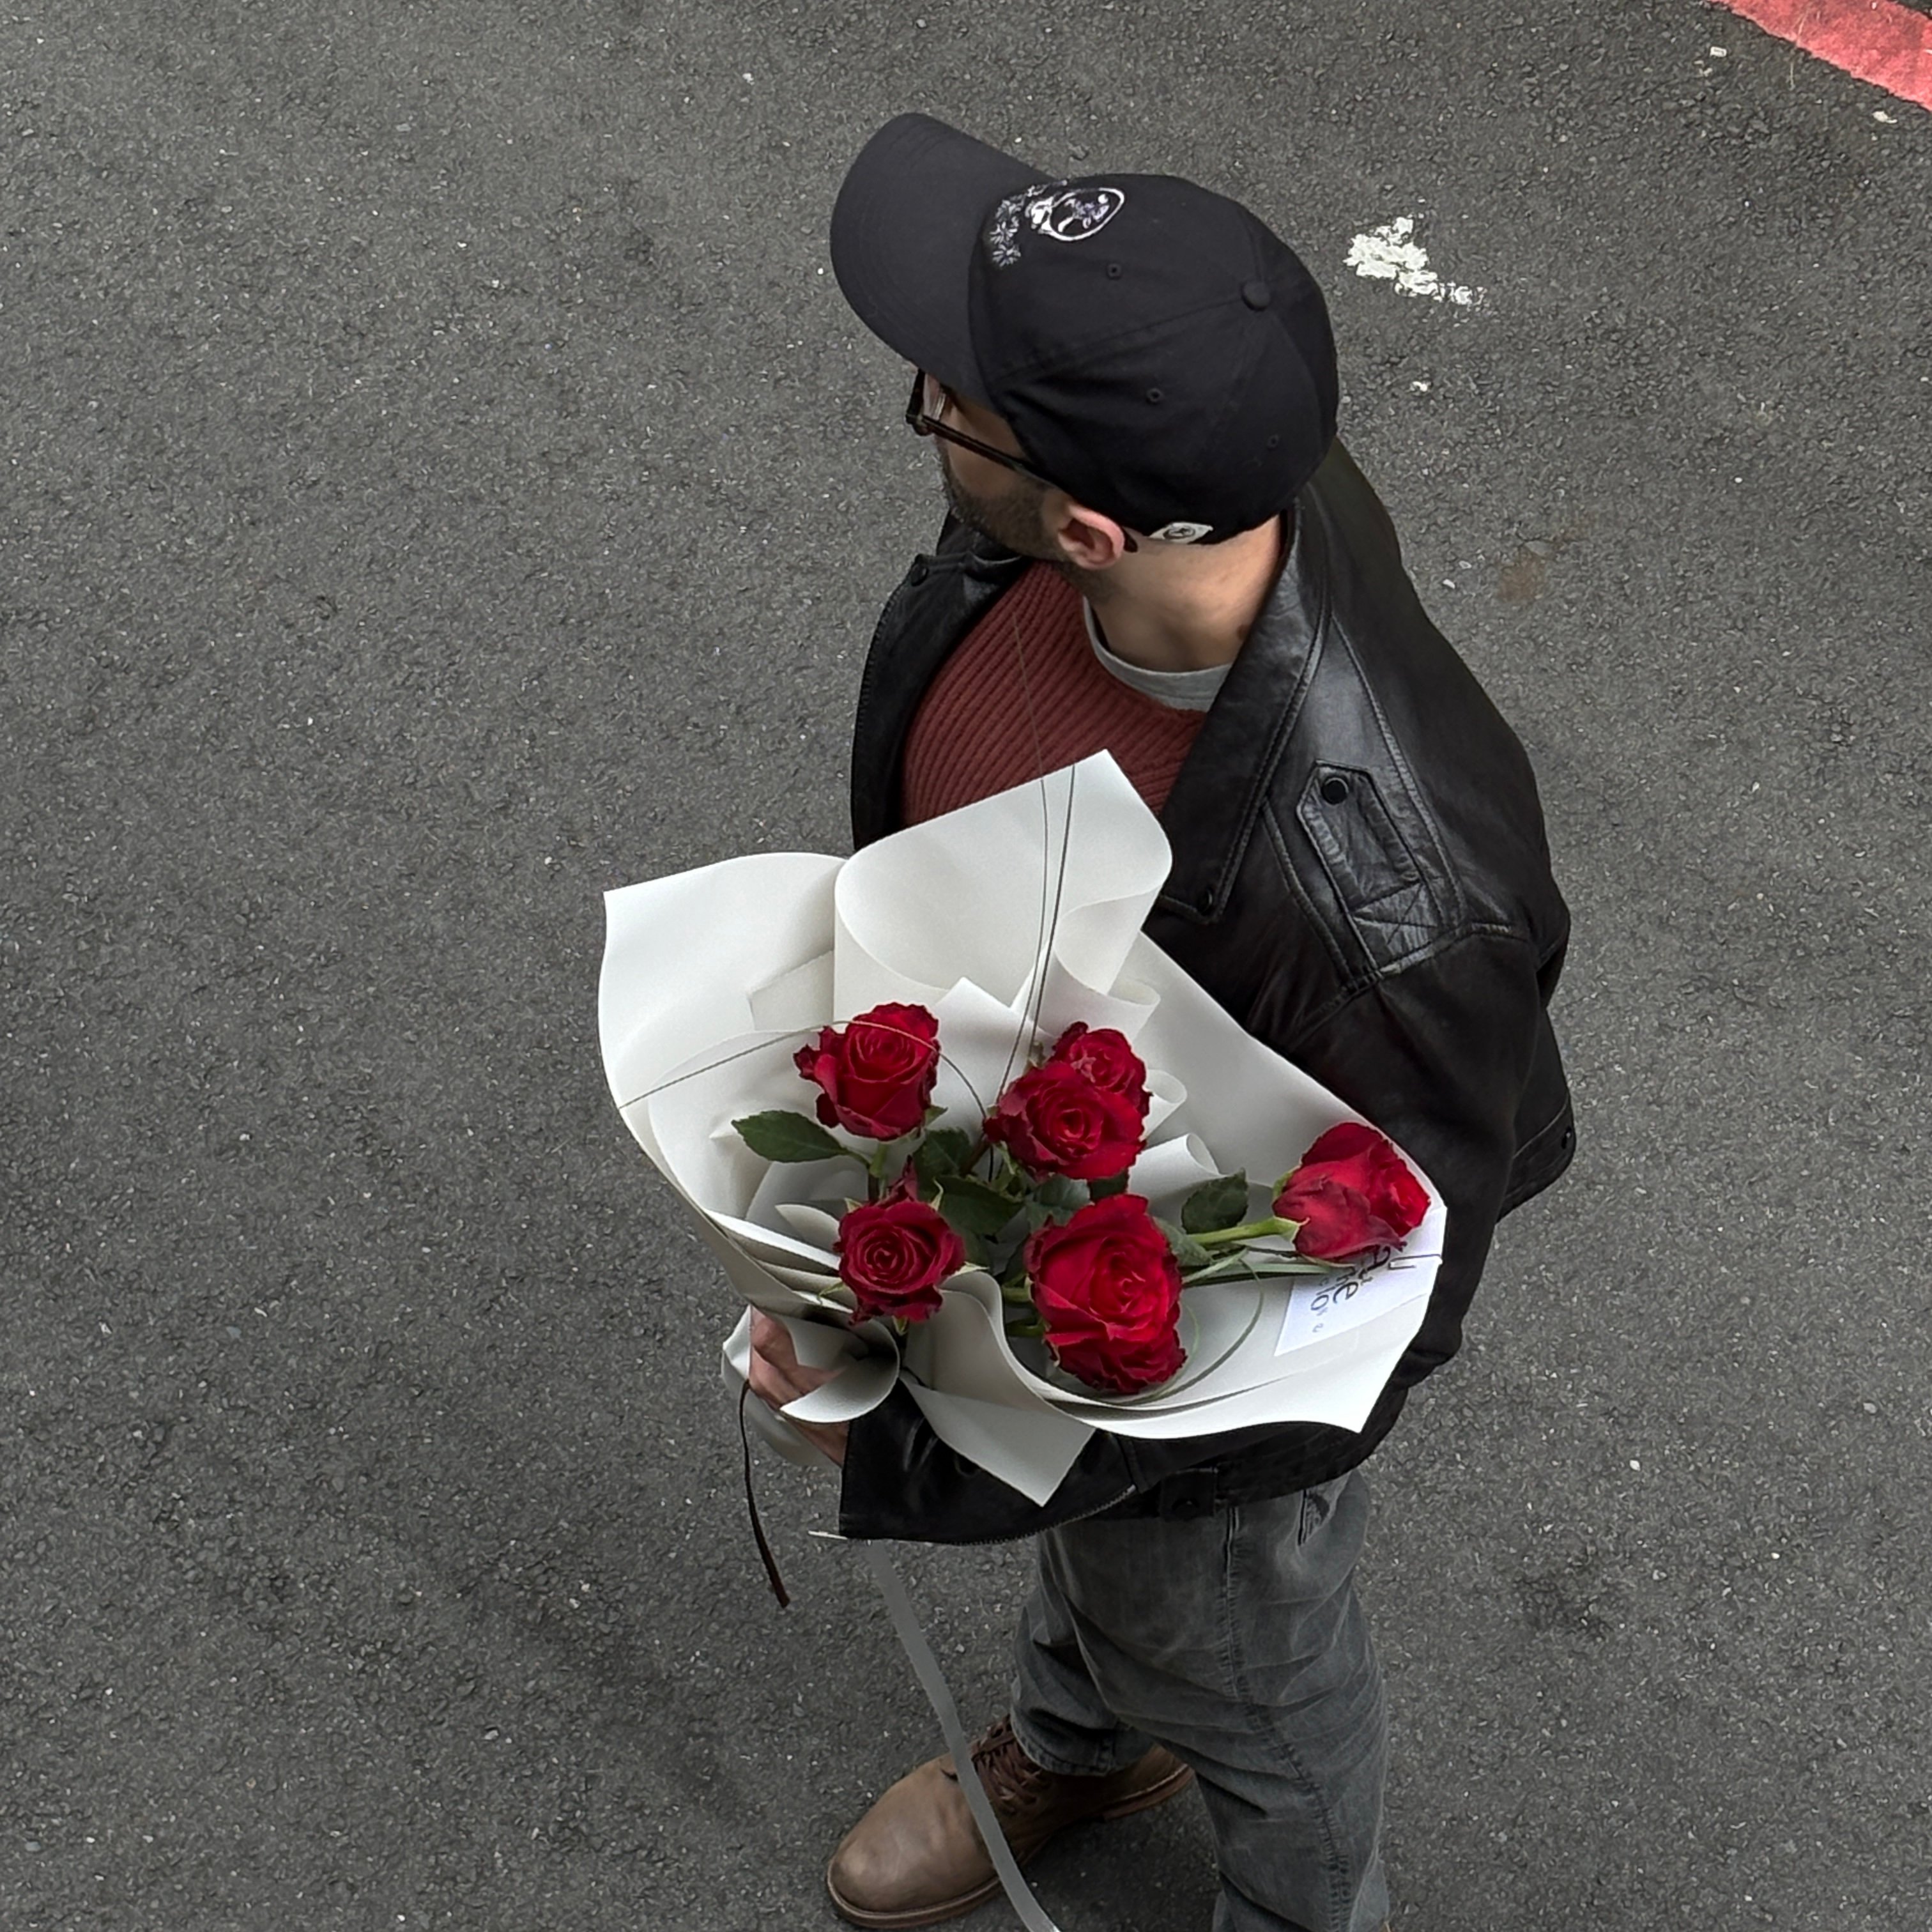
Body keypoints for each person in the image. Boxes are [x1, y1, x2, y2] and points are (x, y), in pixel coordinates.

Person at [747, 112, 1575, 1932]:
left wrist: (902, 1416)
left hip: (1205, 1377)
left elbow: (1345, 1330)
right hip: (1050, 1187)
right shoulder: (1173, 512)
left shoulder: (1390, 912)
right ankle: (1085, 1729)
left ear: (1095, 519)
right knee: (1128, 1600)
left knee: (1252, 1673)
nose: (921, 391)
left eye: (948, 399)